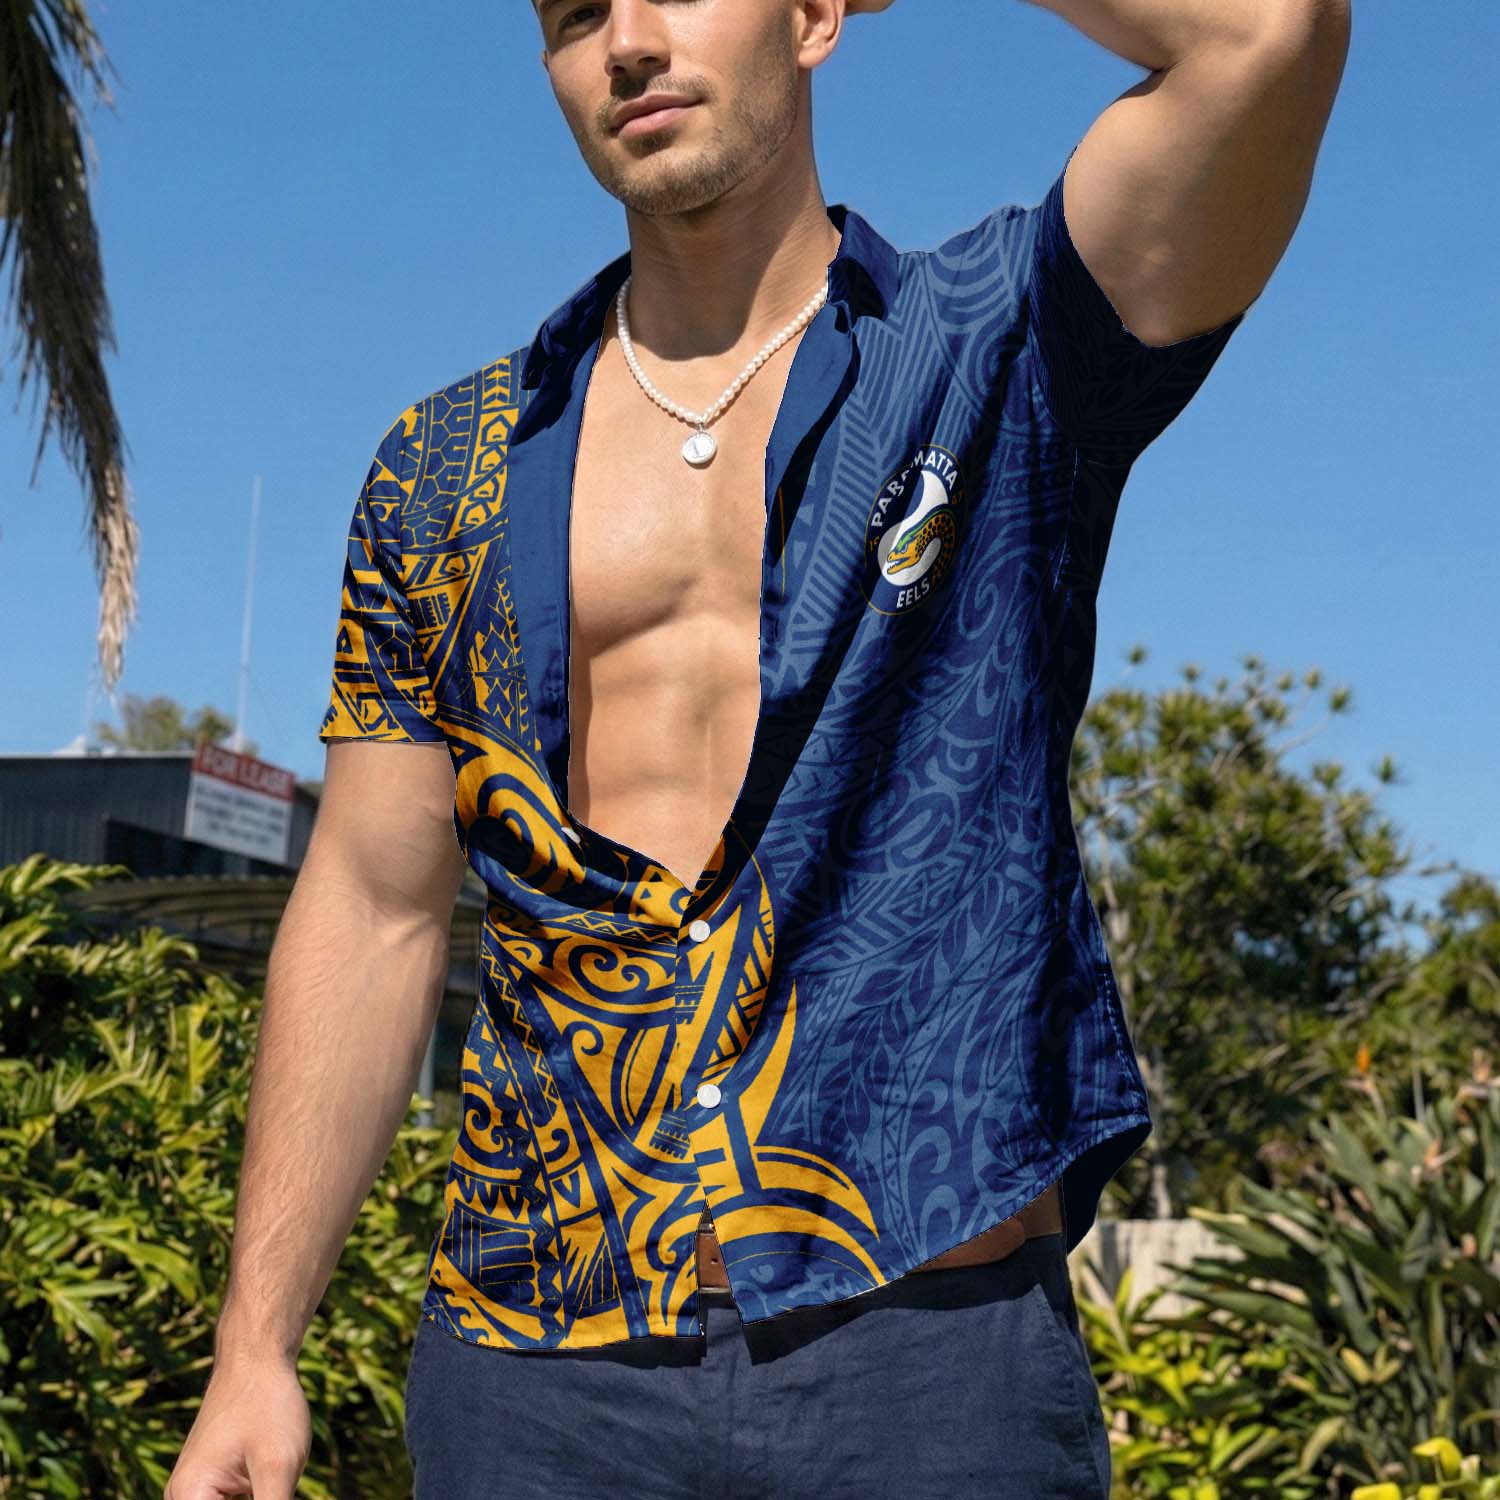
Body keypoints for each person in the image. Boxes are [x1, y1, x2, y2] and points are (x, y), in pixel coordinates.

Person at [164, 0, 1349, 1496]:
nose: (627, 40)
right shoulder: (441, 470)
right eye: (575, 13)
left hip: (928, 1340)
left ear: (816, 16)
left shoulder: (1000, 344)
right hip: (539, 1362)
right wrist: (255, 1344)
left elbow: (1266, 36)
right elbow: (372, 905)